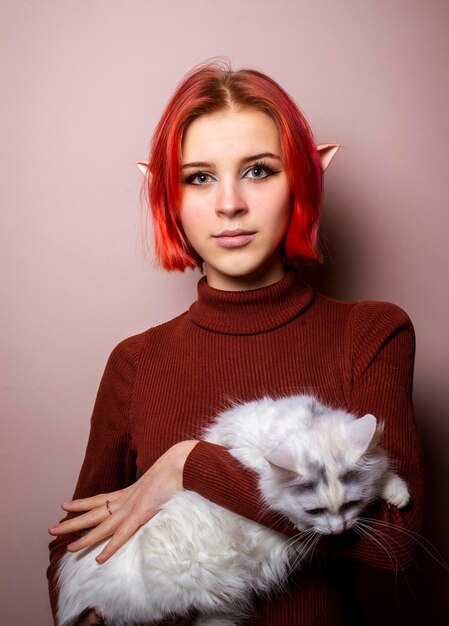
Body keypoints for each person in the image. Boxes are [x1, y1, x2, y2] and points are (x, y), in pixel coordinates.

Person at [48, 60, 423, 626]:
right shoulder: (136, 362)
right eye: (199, 176)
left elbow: (393, 544)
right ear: (166, 194)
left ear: (304, 177)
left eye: (258, 170)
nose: (229, 204)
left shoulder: (371, 333)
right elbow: (79, 541)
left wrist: (191, 463)